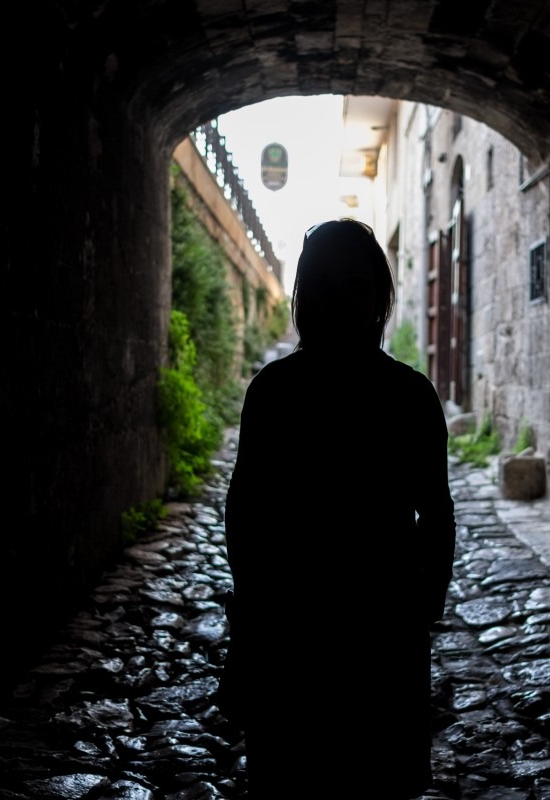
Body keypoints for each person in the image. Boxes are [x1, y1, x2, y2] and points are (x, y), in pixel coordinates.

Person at [221, 218, 456, 799]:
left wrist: (418, 608)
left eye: (355, 285)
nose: (340, 299)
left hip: (380, 638)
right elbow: (244, 509)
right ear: (303, 295)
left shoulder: (410, 397)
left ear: (379, 296)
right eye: (324, 284)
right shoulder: (272, 394)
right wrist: (258, 600)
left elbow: (438, 511)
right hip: (290, 636)